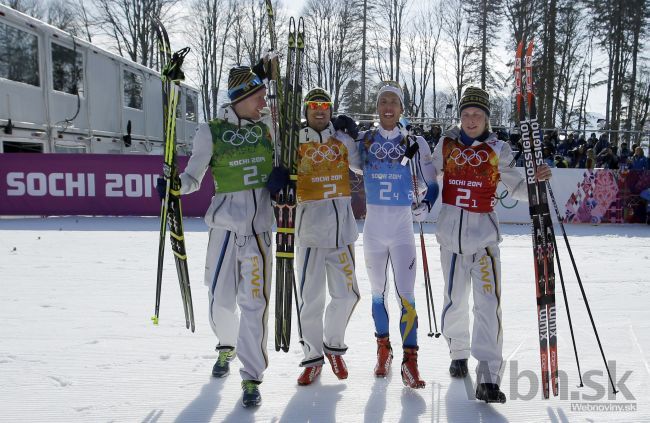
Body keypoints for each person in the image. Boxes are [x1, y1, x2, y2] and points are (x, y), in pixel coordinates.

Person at [159, 64, 278, 408]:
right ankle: (227, 345)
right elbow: (193, 177)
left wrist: (283, 179)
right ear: (241, 99)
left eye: (265, 96)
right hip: (225, 230)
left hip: (258, 233)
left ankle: (252, 376)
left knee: (255, 305)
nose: (264, 102)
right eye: (258, 96)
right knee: (222, 302)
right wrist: (176, 185)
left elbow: (289, 160)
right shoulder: (210, 131)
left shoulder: (270, 125)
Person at [431, 87, 551, 403]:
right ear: (460, 116)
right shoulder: (446, 145)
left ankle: (487, 378)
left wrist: (537, 180)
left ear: (486, 118)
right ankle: (458, 351)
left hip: (483, 242)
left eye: (478, 115)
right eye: (467, 114)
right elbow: (429, 178)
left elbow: (518, 189)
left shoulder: (499, 149)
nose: (471, 120)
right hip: (450, 241)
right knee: (454, 301)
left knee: (487, 306)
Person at [355, 82, 438, 389]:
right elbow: (341, 157)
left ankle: (411, 362)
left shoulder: (415, 142)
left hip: (402, 229)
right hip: (374, 230)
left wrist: (427, 204)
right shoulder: (364, 141)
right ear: (377, 108)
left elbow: (432, 183)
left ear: (402, 109)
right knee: (378, 293)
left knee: (406, 295)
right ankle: (383, 350)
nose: (388, 106)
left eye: (394, 102)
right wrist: (339, 129)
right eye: (383, 102)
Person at [291, 87, 361, 385]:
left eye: (325, 106)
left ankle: (333, 346)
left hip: (342, 233)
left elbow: (360, 167)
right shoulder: (295, 141)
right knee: (311, 299)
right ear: (306, 112)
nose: (320, 111)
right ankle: (312, 358)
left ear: (331, 110)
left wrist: (356, 138)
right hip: (309, 234)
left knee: (348, 295)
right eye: (313, 106)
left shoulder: (342, 140)